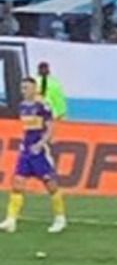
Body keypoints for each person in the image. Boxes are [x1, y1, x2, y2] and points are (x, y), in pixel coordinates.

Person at [1, 78, 67, 234]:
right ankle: (11, 220)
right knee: (17, 182)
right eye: (22, 87)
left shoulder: (42, 106)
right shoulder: (22, 106)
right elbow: (28, 129)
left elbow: (50, 128)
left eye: (27, 88)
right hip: (26, 151)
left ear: (34, 89)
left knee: (50, 185)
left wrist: (41, 143)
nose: (23, 91)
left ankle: (60, 218)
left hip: (39, 151)